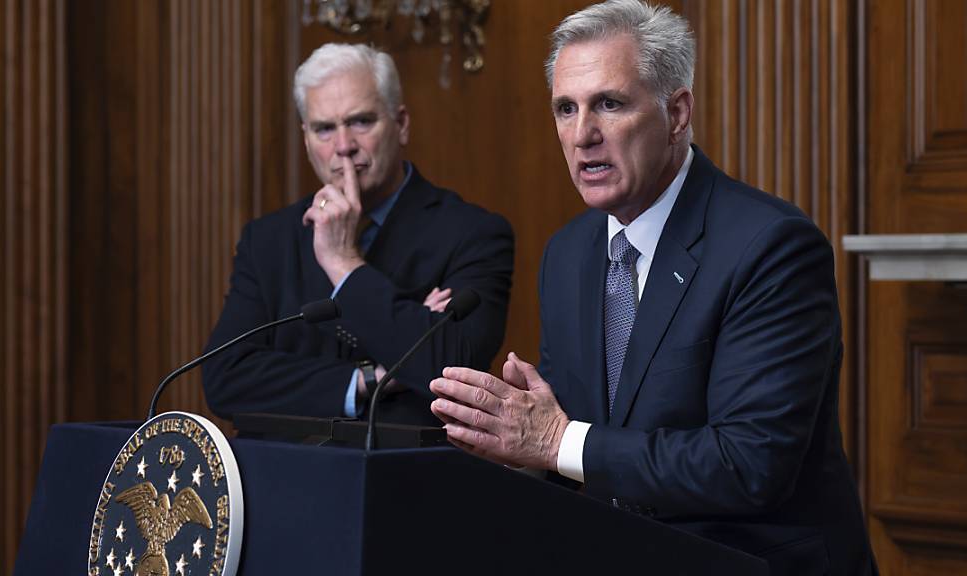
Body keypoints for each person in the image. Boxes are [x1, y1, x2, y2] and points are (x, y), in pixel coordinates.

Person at [428, 1, 876, 573]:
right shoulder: (569, 254)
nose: (583, 134)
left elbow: (748, 464)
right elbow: (581, 442)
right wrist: (517, 451)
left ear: (678, 112)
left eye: (609, 104)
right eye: (565, 109)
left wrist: (552, 442)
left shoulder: (771, 245)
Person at [203, 43, 513, 426]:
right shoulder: (267, 240)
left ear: (400, 125)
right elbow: (225, 380)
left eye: (361, 122)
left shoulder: (474, 233)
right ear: (305, 139)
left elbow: (454, 364)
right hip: (283, 473)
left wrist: (344, 264)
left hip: (405, 476)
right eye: (324, 129)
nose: (343, 147)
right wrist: (369, 379)